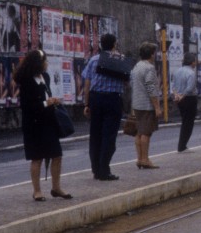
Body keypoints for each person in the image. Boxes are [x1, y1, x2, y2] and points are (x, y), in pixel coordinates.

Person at [15, 49, 72, 202]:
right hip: (33, 124)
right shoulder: (26, 80)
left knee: (57, 154)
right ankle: (37, 190)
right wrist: (46, 102)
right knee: (37, 158)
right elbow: (27, 106)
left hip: (48, 121)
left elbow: (46, 95)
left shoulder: (45, 77)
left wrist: (52, 100)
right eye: (44, 61)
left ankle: (56, 187)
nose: (47, 64)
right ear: (37, 64)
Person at [82, 33, 126, 181]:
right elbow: (127, 81)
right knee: (109, 136)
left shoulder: (93, 60)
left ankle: (95, 169)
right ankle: (104, 169)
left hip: (96, 99)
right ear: (114, 44)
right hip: (113, 100)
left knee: (95, 135)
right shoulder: (119, 59)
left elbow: (87, 83)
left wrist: (86, 104)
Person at [130, 42, 161, 169]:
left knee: (138, 132)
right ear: (152, 54)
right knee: (146, 133)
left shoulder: (136, 67)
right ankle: (145, 159)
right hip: (146, 105)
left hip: (136, 103)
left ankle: (139, 158)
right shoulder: (149, 68)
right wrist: (157, 106)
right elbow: (151, 87)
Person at [171, 52, 200, 152]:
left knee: (184, 120)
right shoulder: (191, 73)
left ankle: (182, 145)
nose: (195, 63)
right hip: (189, 98)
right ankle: (182, 146)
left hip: (179, 99)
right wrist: (182, 96)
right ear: (192, 62)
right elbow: (190, 88)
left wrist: (177, 96)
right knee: (189, 122)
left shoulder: (177, 71)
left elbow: (173, 86)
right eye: (195, 61)